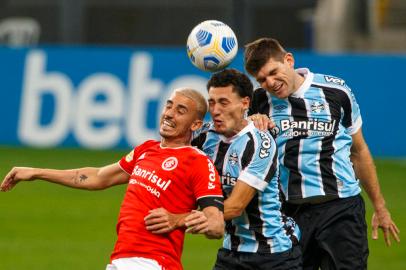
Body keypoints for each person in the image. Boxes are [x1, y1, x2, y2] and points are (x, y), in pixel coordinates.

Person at [0, 88, 225, 270]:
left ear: (195, 125)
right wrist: (36, 172)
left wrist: (178, 220)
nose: (169, 114)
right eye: (169, 105)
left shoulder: (197, 162)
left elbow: (216, 224)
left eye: (180, 110)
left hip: (153, 262)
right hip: (123, 259)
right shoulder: (146, 150)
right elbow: (97, 177)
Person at [244, 37, 400, 269]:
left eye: (273, 72)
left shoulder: (336, 91)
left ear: (289, 60)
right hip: (289, 213)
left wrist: (380, 206)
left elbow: (359, 151)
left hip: (341, 209)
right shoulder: (259, 102)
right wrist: (251, 123)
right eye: (262, 80)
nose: (270, 83)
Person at [146, 69, 302, 270]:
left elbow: (236, 206)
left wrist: (177, 219)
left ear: (245, 103)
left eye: (224, 102)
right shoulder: (204, 135)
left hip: (273, 254)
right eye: (212, 102)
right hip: (232, 251)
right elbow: (166, 151)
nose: (216, 110)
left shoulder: (260, 143)